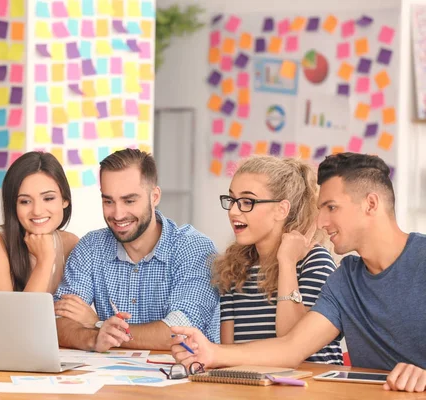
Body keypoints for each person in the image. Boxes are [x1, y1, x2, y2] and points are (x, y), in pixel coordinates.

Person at [171, 153, 426, 393]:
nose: (320, 221)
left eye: (332, 208)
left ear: (371, 204)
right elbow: (291, 347)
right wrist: (211, 352)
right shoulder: (345, 279)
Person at [54, 148, 220, 352]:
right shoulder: (91, 247)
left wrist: (97, 325)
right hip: (109, 379)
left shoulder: (193, 248)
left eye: (129, 201)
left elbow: (179, 332)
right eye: (108, 201)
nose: (117, 213)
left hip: (185, 378)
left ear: (155, 196)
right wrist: (95, 337)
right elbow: (58, 321)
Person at [215, 156, 341, 364]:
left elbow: (292, 344)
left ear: (282, 209)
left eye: (247, 202)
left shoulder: (316, 262)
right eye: (232, 200)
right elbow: (228, 355)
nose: (233, 211)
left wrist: (287, 263)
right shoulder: (233, 268)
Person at [0, 152, 80, 297]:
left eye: (48, 198)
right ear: (13, 205)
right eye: (25, 201)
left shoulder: (70, 244)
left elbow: (68, 314)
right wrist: (45, 261)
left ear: (65, 200)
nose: (37, 211)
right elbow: (14, 319)